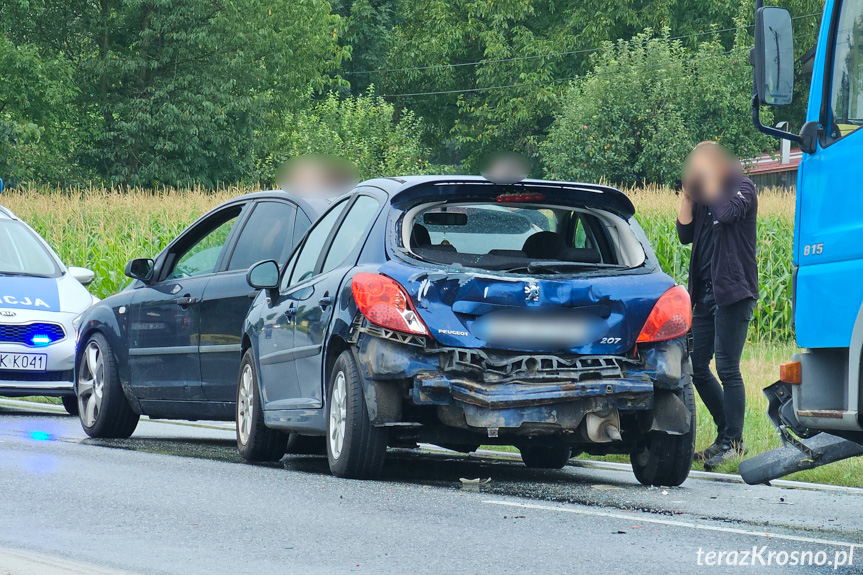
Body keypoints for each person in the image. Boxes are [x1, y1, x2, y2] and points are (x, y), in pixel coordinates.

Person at [676, 142, 759, 470]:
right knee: (696, 366)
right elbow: (684, 234)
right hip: (705, 294)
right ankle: (726, 437)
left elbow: (726, 214)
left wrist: (708, 183)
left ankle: (734, 442)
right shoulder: (702, 196)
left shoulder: (742, 187)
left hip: (734, 293)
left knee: (727, 367)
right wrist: (686, 195)